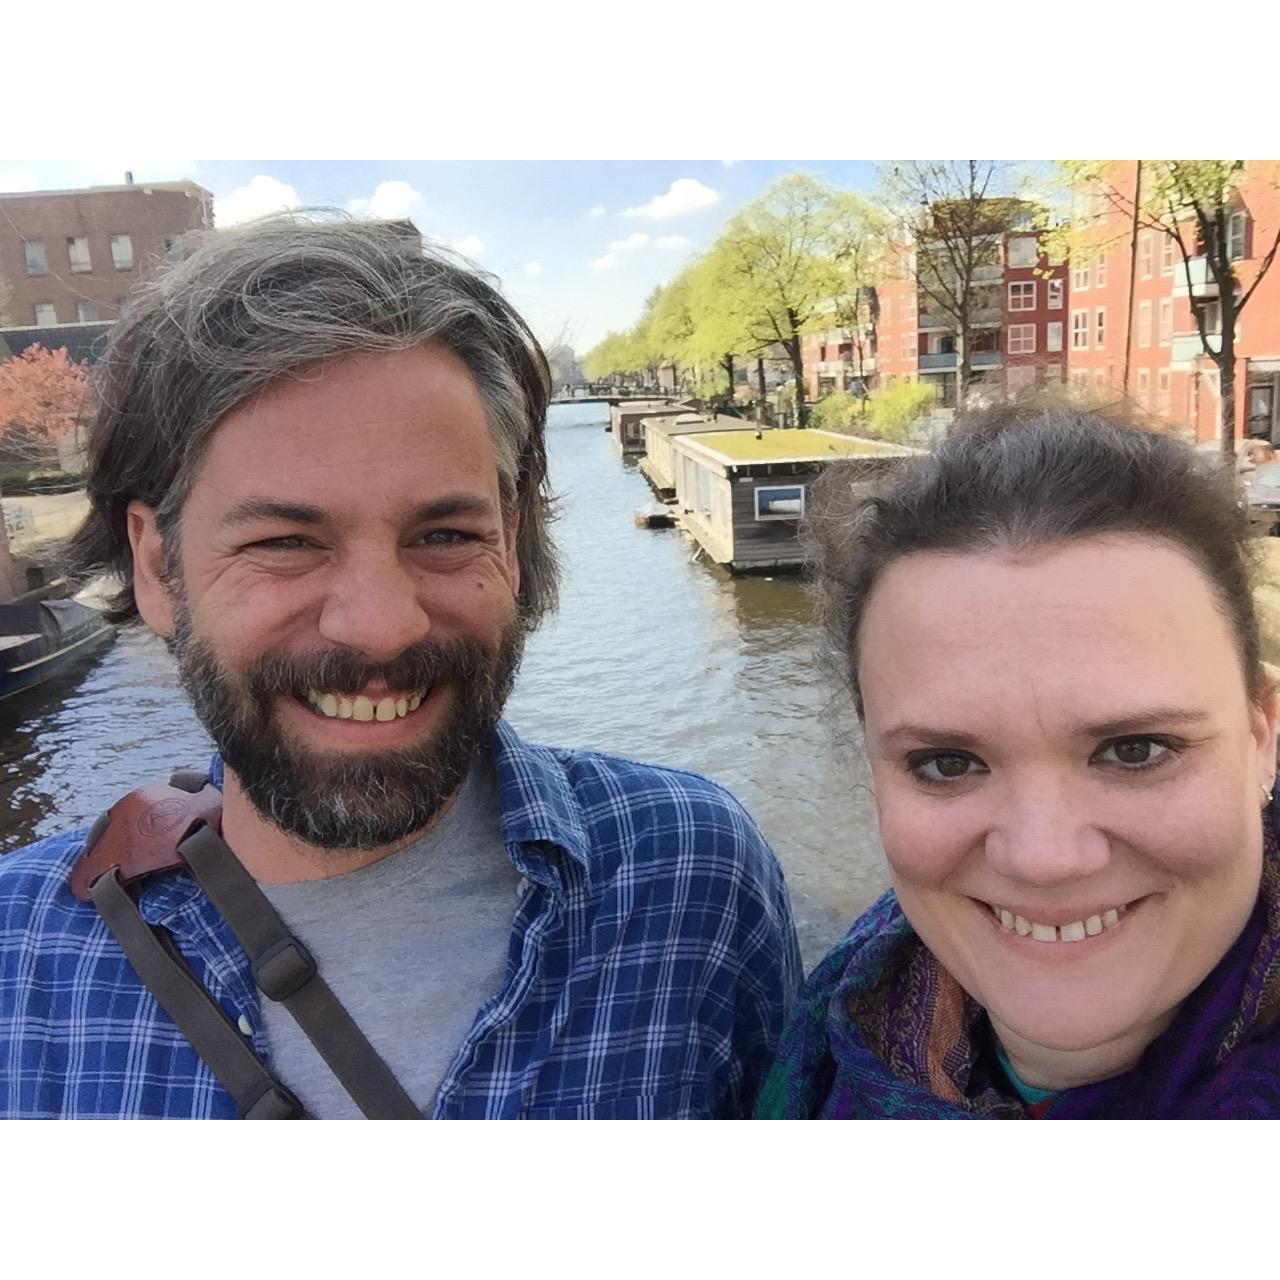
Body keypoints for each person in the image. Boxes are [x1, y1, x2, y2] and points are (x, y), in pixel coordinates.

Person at [0, 217, 800, 1119]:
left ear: (516, 546)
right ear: (156, 567)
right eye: (287, 542)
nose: (381, 626)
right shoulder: (20, 957)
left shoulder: (695, 878)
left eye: (446, 536)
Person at [758, 404, 1280, 1119]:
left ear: (1263, 735)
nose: (1044, 858)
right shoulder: (837, 1041)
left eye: (1136, 750)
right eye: (945, 763)